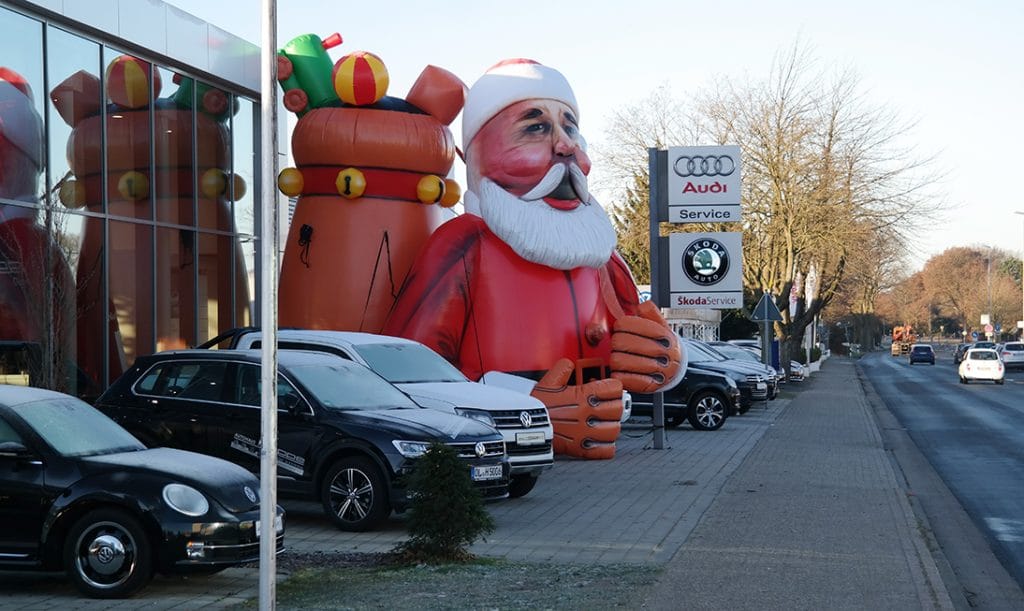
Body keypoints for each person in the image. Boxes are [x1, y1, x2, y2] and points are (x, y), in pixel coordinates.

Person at [384, 59, 683, 459]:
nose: (566, 146)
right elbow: (409, 370)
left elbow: (644, 343)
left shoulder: (600, 255)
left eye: (570, 128)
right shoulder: (464, 246)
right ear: (475, 154)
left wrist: (668, 360)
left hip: (601, 461)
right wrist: (529, 406)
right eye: (535, 128)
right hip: (502, 454)